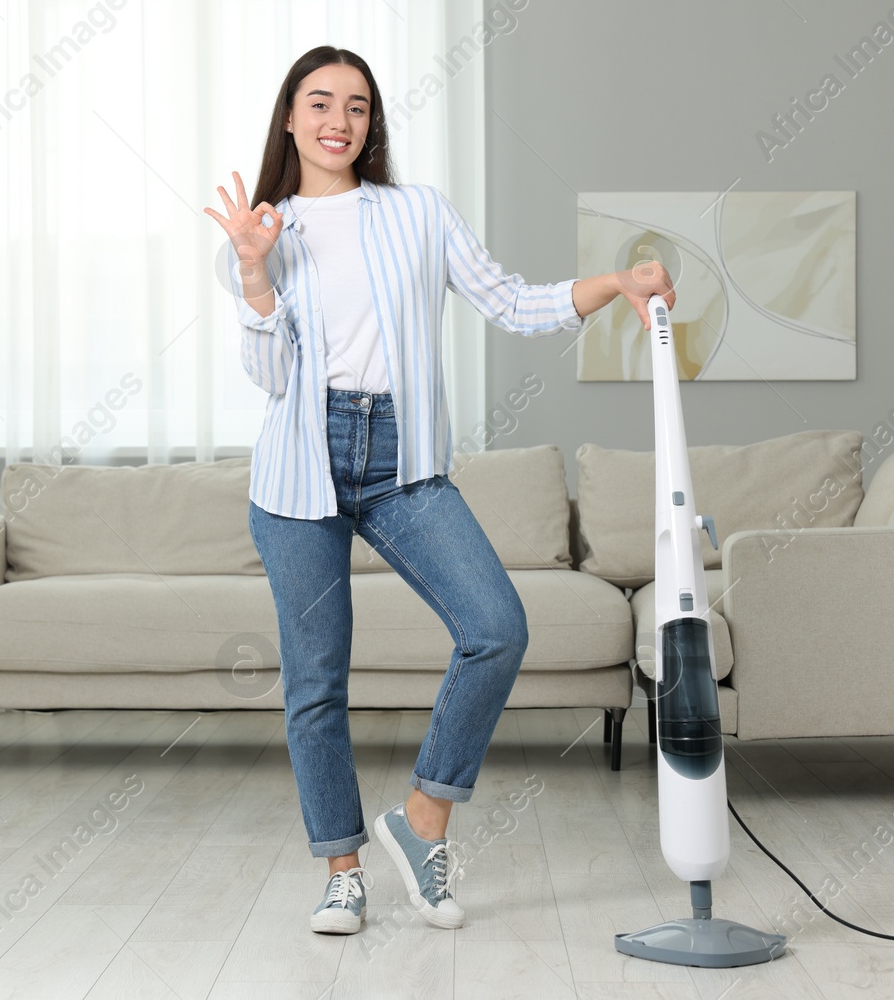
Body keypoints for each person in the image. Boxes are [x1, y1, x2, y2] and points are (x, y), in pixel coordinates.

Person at [204, 45, 675, 936]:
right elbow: (269, 375)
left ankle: (422, 823)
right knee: (315, 683)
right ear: (291, 117)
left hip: (403, 460)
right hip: (299, 467)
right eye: (320, 102)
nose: (339, 120)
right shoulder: (262, 231)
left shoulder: (418, 213)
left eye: (356, 105)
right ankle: (341, 870)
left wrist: (614, 283)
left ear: (371, 122)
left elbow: (510, 302)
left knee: (496, 626)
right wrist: (254, 272)